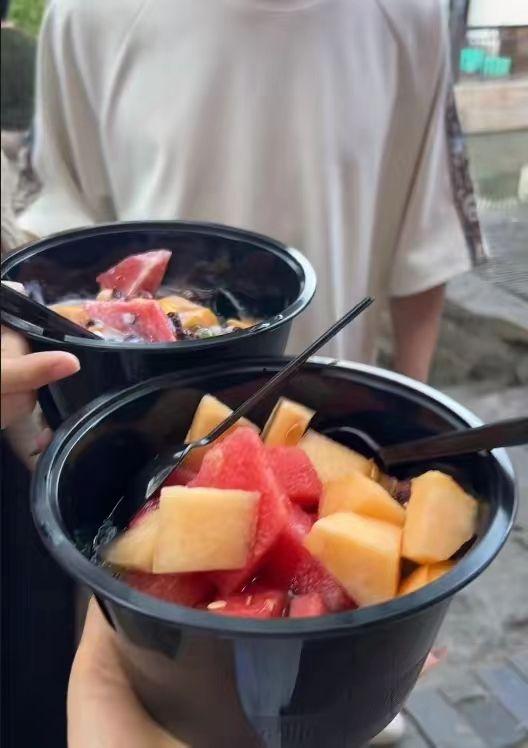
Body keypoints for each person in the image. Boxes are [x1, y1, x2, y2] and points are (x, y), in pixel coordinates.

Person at [19, 0, 485, 384]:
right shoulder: (87, 14)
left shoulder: (412, 13)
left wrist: (413, 418)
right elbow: (53, 244)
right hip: (139, 413)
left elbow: (425, 242)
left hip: (334, 406)